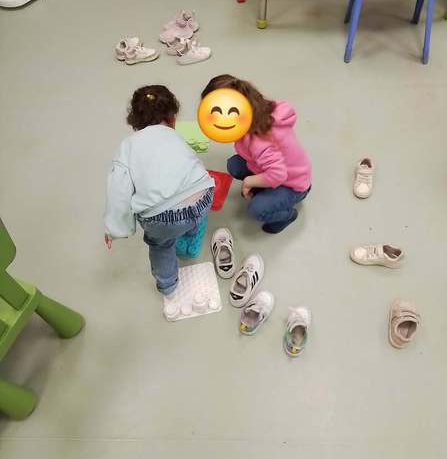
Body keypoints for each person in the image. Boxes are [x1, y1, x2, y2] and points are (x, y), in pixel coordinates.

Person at [104, 85, 214, 295]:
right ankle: (191, 232)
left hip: (163, 218)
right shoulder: (176, 136)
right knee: (188, 202)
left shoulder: (127, 147)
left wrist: (115, 228)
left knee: (160, 245)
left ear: (135, 121)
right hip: (203, 197)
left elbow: (118, 192)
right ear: (172, 117)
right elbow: (192, 164)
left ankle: (168, 285)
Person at [201, 74, 311, 234]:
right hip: (280, 169)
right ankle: (265, 190)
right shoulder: (258, 113)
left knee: (257, 209)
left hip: (293, 185)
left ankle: (288, 216)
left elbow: (278, 175)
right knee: (234, 165)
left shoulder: (258, 141)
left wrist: (249, 181)